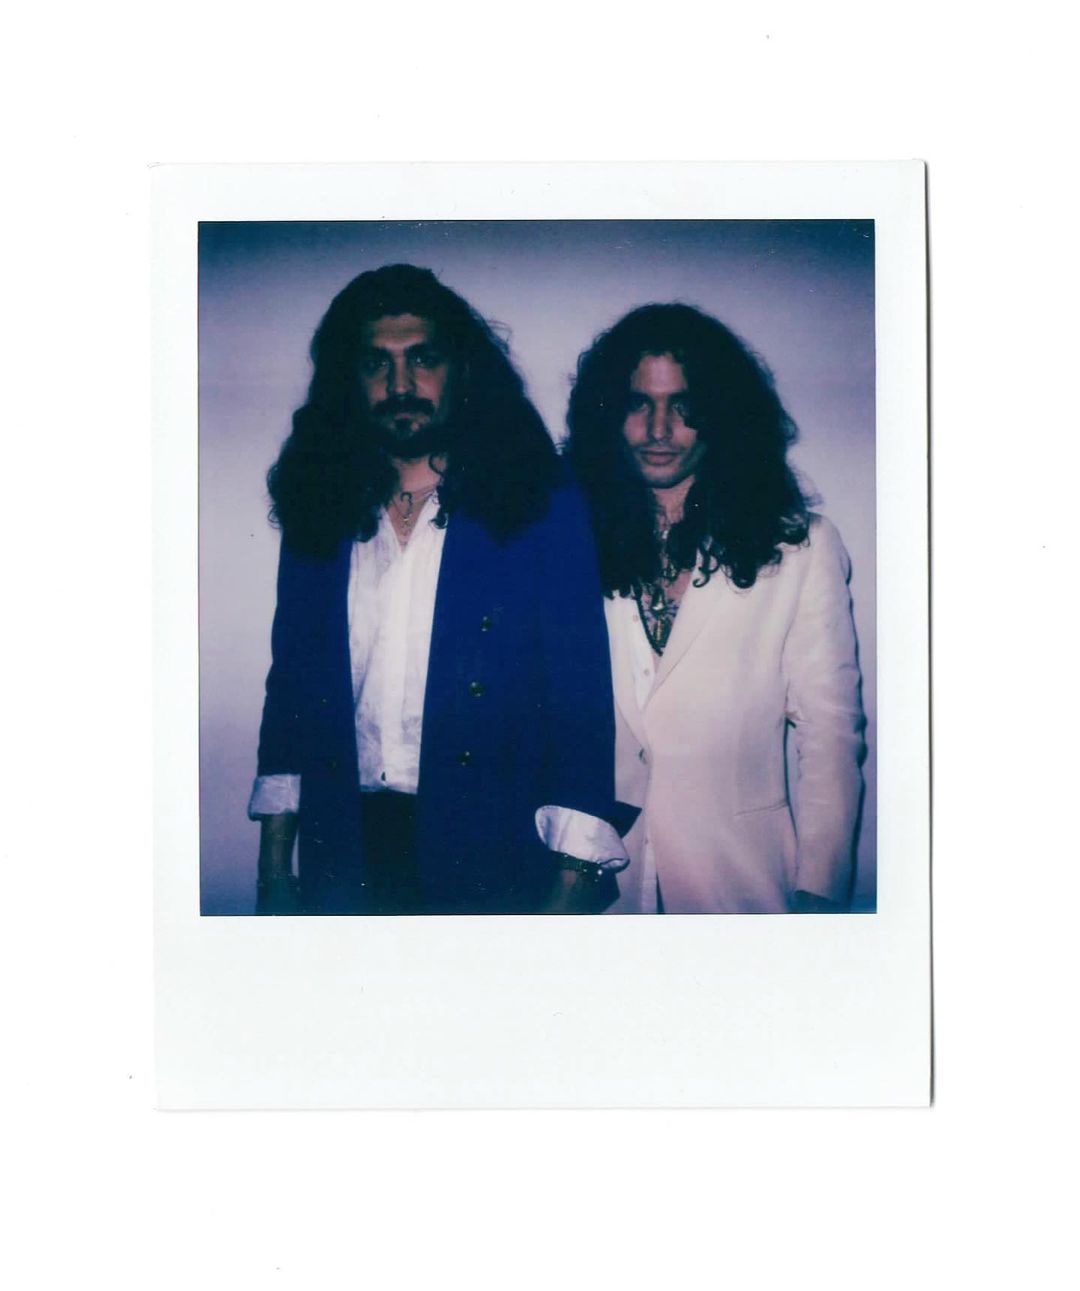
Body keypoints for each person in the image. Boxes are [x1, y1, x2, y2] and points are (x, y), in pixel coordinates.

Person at [249, 264, 626, 915]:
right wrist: (275, 871)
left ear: (463, 370)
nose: (400, 385)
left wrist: (568, 890)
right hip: (345, 850)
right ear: (348, 378)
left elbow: (580, 703)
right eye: (376, 363)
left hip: (490, 851)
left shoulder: (539, 504)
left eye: (423, 359)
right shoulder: (321, 504)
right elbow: (291, 695)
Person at [566, 303, 865, 914]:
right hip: (597, 890)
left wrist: (821, 888)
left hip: (742, 881)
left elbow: (830, 732)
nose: (659, 429)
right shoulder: (566, 539)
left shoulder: (800, 548)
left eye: (684, 406)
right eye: (638, 403)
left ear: (723, 414)